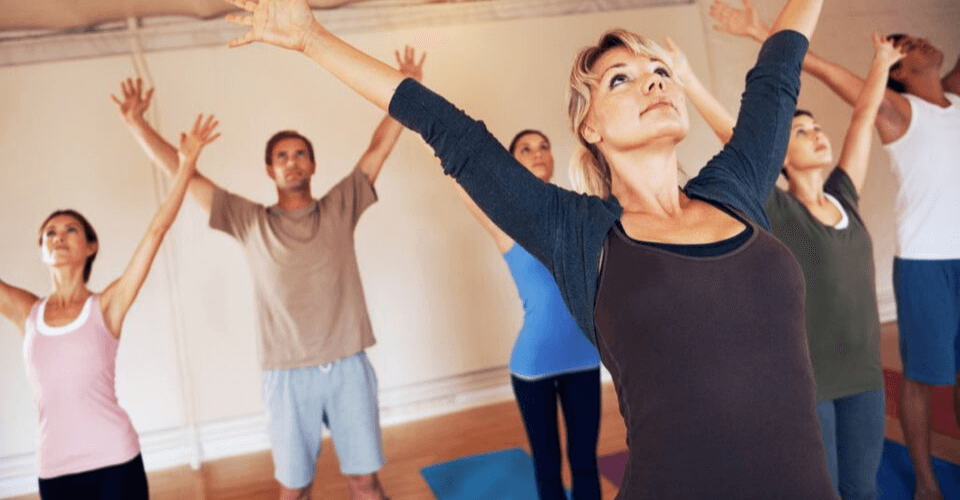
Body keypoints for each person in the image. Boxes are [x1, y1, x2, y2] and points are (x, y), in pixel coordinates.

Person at [223, 0, 835, 497]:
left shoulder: (736, 191)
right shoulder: (579, 232)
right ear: (590, 127)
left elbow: (779, 66)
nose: (653, 80)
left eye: (659, 71)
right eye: (621, 79)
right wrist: (312, 38)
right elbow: (447, 128)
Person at [113, 48, 423, 500]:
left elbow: (378, 148)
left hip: (348, 365)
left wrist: (406, 90)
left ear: (313, 165)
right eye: (282, 156)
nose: (292, 161)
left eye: (300, 154)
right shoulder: (249, 220)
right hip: (286, 374)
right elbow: (188, 179)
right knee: (294, 488)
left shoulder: (341, 205)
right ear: (269, 169)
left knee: (364, 482)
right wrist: (136, 125)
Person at [709, 3, 960, 497]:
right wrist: (757, 32)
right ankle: (927, 481)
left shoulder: (949, 101)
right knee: (917, 380)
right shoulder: (895, 110)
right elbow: (832, 85)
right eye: (907, 47)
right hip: (922, 265)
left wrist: (882, 63)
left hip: (873, 359)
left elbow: (864, 114)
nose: (921, 44)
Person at [663, 32, 905, 499]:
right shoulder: (777, 208)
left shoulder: (845, 197)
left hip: (864, 375)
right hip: (809, 383)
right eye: (801, 133)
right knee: (821, 490)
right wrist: (688, 79)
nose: (817, 134)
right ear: (781, 157)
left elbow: (863, 116)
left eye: (817, 128)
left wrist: (881, 60)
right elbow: (736, 138)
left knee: (863, 489)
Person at [0, 114, 220, 499]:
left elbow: (156, 231)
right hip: (53, 467)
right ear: (41, 249)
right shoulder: (27, 312)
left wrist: (186, 166)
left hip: (115, 459)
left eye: (70, 230)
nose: (58, 237)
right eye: (50, 233)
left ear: (91, 246)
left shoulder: (106, 306)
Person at [452, 129, 602, 500]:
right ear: (512, 162)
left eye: (543, 146)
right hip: (533, 366)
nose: (537, 153)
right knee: (546, 464)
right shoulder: (504, 223)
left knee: (585, 461)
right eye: (526, 148)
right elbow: (459, 176)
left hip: (584, 358)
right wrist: (435, 130)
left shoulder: (576, 213)